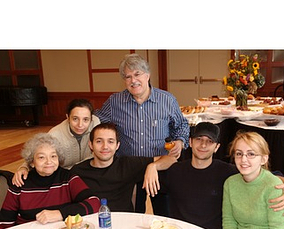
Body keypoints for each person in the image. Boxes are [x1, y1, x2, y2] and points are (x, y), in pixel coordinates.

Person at [157, 122, 284, 229]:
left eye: (210, 141)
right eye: (199, 139)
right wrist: (153, 166)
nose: (203, 145)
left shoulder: (229, 173)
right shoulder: (175, 171)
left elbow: (268, 176)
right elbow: (144, 179)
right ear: (190, 142)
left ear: (217, 147)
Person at [94, 53, 189, 216]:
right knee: (132, 215)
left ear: (147, 75)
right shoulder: (115, 102)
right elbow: (96, 120)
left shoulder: (167, 100)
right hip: (129, 167)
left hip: (160, 164)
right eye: (128, 76)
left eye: (137, 74)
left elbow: (181, 124)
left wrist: (180, 141)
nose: (133, 80)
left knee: (164, 215)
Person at [0, 133, 100, 229]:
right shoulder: (20, 182)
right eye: (41, 157)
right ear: (32, 162)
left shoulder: (67, 178)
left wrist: (60, 213)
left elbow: (94, 202)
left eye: (53, 156)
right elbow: (4, 223)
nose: (49, 162)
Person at [69, 123, 177, 212]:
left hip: (124, 224)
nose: (105, 146)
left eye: (110, 141)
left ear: (117, 146)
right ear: (91, 145)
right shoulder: (78, 171)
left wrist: (153, 166)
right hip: (91, 226)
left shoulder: (127, 164)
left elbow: (171, 160)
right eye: (99, 141)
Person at [222, 131, 284, 229]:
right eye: (239, 154)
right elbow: (229, 223)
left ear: (264, 159)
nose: (243, 159)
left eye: (251, 154)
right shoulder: (230, 183)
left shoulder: (273, 186)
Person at [12, 98, 100, 186]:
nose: (80, 125)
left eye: (85, 120)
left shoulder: (96, 124)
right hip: (64, 177)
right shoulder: (54, 134)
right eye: (75, 119)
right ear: (67, 117)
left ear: (91, 119)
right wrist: (24, 167)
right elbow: (37, 154)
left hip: (88, 172)